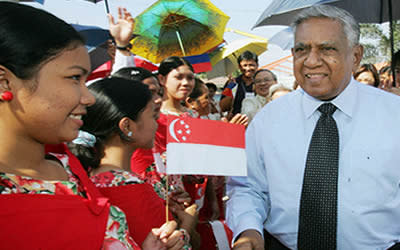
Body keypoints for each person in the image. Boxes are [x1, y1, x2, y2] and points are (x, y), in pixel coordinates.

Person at [0, 2, 175, 249]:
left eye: (85, 80)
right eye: (74, 78)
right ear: (5, 83)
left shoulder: (68, 166)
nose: (89, 97)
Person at [226, 5, 400, 250]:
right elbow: (247, 188)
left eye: (327, 48)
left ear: (356, 56)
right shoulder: (268, 120)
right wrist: (248, 230)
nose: (311, 61)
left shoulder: (395, 116)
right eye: (301, 49)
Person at [69, 77, 195, 249]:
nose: (156, 125)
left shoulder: (86, 176)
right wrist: (187, 225)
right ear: (127, 126)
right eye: (152, 116)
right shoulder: (129, 187)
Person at [219, 50, 259, 116]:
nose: (248, 68)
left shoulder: (262, 83)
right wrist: (230, 88)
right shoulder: (232, 83)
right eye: (245, 65)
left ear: (257, 65)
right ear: (239, 67)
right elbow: (223, 107)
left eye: (251, 65)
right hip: (238, 122)